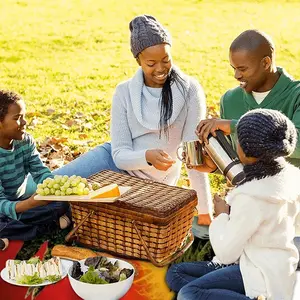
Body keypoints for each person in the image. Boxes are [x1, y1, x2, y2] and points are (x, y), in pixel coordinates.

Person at [50, 15, 213, 227]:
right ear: (138, 61)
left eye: (166, 59)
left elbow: (193, 156)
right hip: (113, 162)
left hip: (150, 185)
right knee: (48, 189)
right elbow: (119, 155)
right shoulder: (124, 92)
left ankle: (68, 215)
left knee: (71, 206)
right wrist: (146, 156)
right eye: (151, 63)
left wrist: (204, 211)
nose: (161, 69)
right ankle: (15, 214)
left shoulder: (190, 90)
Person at [166, 109, 300, 300]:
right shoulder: (291, 177)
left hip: (258, 273)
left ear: (244, 151)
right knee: (176, 274)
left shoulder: (250, 197)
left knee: (189, 293)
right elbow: (261, 193)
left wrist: (222, 215)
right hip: (277, 266)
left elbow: (226, 252)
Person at [0, 90, 70, 241]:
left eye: (24, 116)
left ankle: (17, 233)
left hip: (20, 202)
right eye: (17, 118)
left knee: (63, 203)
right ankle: (45, 227)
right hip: (5, 208)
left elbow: (40, 172)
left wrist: (53, 189)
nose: (24, 122)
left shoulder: (25, 141)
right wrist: (29, 204)